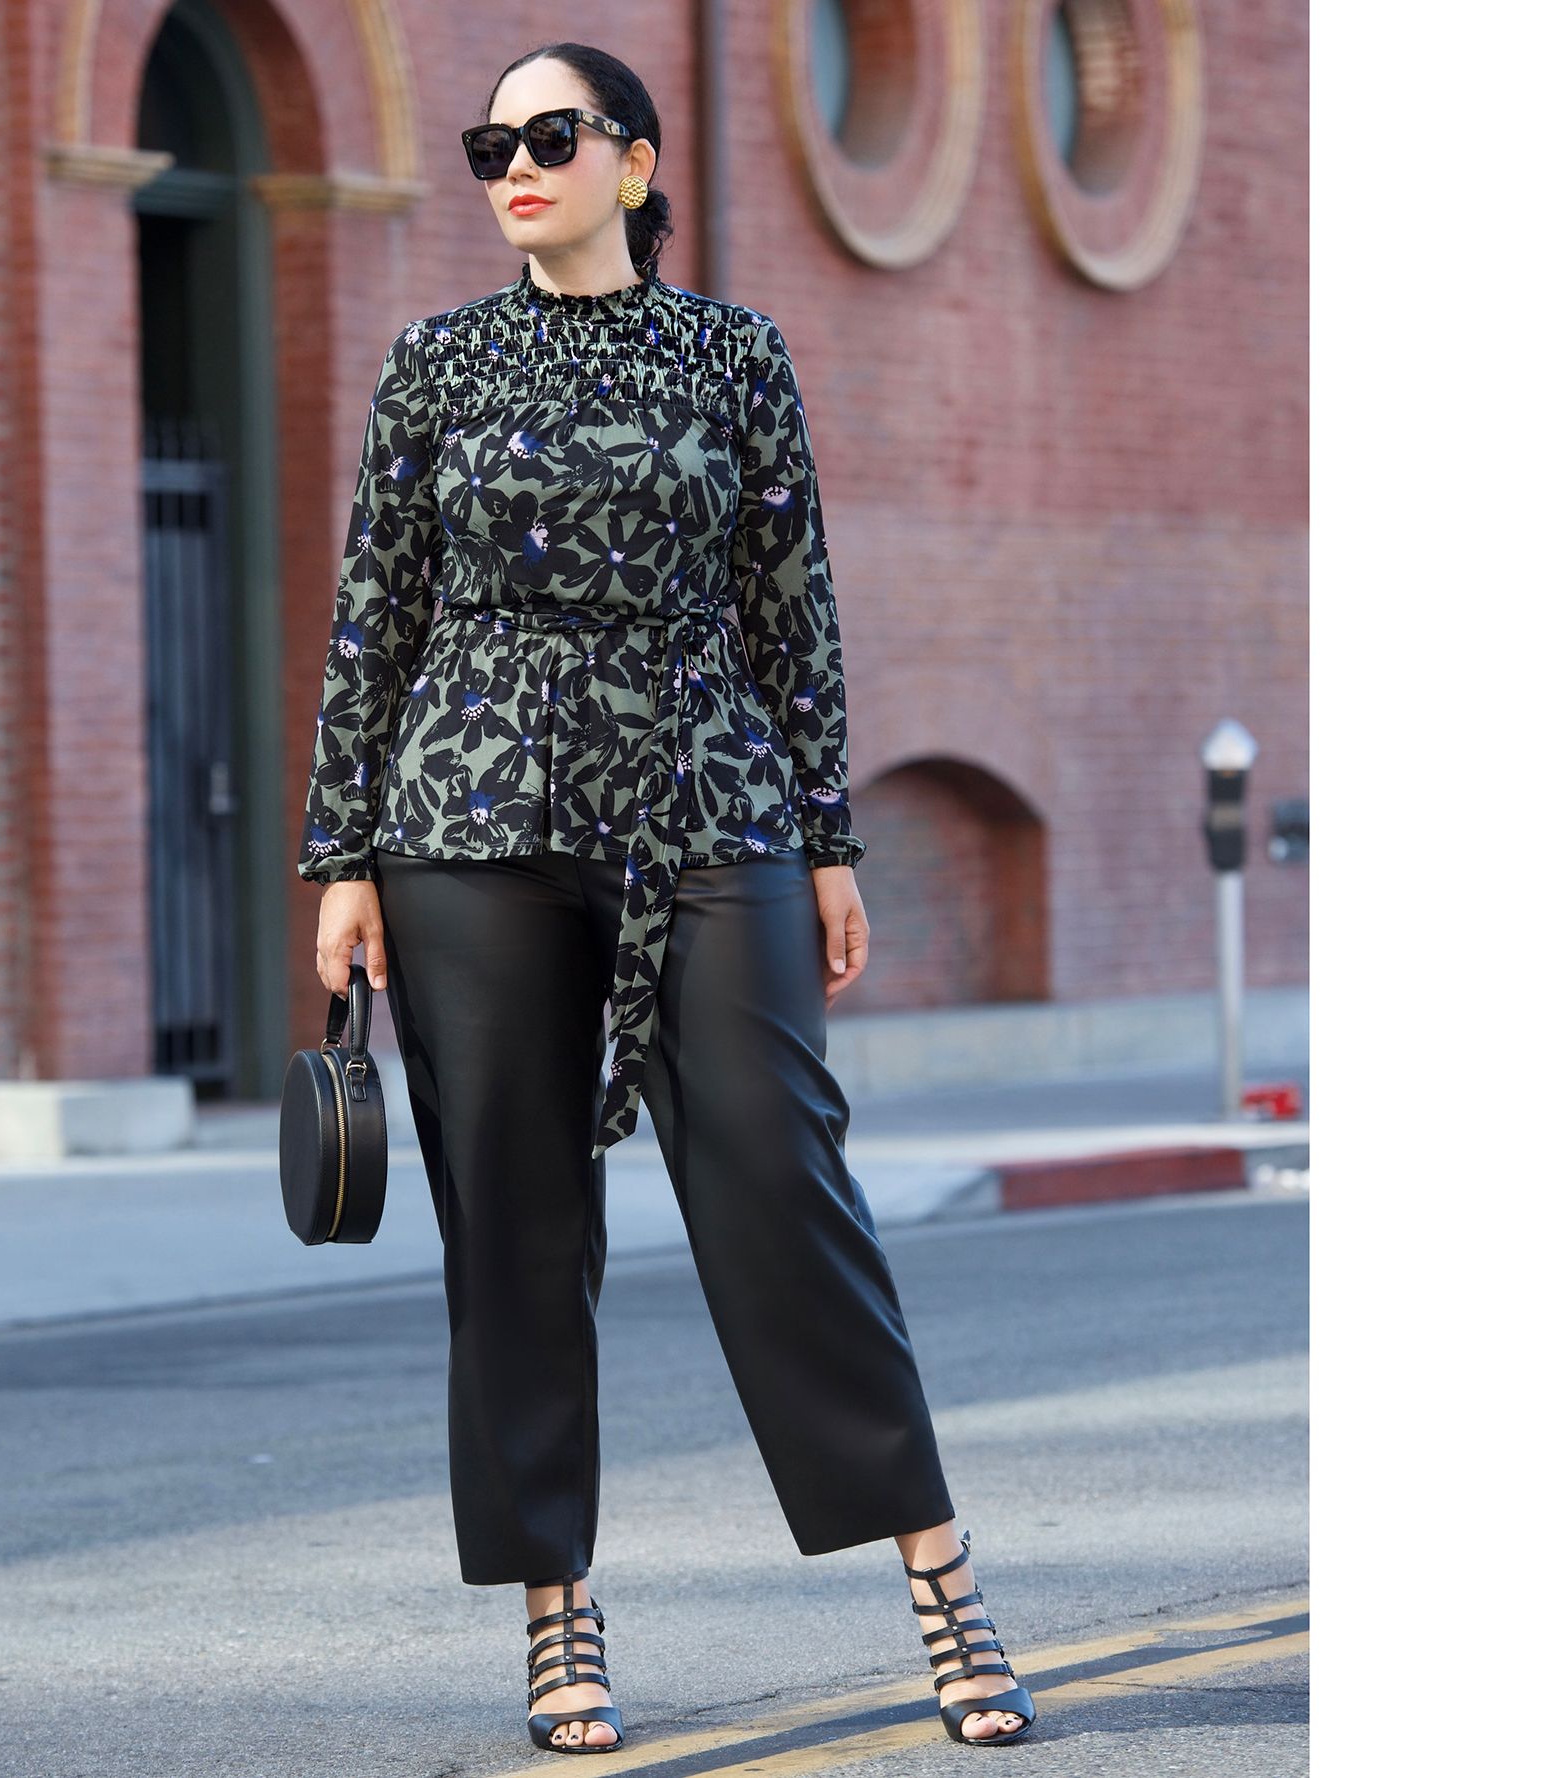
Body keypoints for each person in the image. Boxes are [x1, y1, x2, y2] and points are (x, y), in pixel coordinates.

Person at [296, 40, 1037, 1758]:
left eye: (551, 136)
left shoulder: (735, 353)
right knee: (514, 1216)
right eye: (491, 143)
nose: (514, 166)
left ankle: (938, 1566)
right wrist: (339, 856)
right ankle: (557, 1608)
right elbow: (374, 612)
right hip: (470, 811)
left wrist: (828, 832)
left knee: (781, 1175)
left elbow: (792, 597)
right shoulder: (433, 365)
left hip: (710, 793)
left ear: (633, 163)